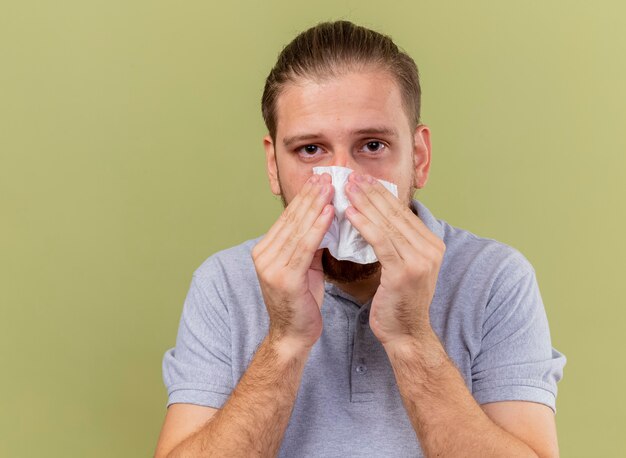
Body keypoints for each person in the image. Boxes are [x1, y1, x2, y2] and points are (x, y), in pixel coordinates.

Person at [155, 20, 566, 457]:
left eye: (372, 145)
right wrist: (285, 342)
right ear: (273, 166)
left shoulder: (494, 280)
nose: (344, 183)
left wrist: (410, 337)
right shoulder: (224, 283)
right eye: (310, 150)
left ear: (419, 158)